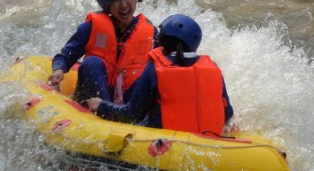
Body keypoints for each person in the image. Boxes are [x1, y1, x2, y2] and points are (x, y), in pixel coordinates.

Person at [88, 14, 233, 134]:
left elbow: (131, 114)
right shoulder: (213, 68)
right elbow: (227, 114)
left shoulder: (156, 68)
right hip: (207, 141)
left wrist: (101, 106)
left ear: (163, 43)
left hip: (165, 143)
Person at [48, 0, 158, 106]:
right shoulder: (91, 27)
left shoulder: (151, 33)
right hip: (93, 95)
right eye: (116, 1)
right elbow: (65, 56)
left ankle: (120, 114)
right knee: (91, 63)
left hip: (128, 101)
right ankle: (106, 113)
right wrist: (59, 69)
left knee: (146, 73)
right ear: (108, 7)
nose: (124, 5)